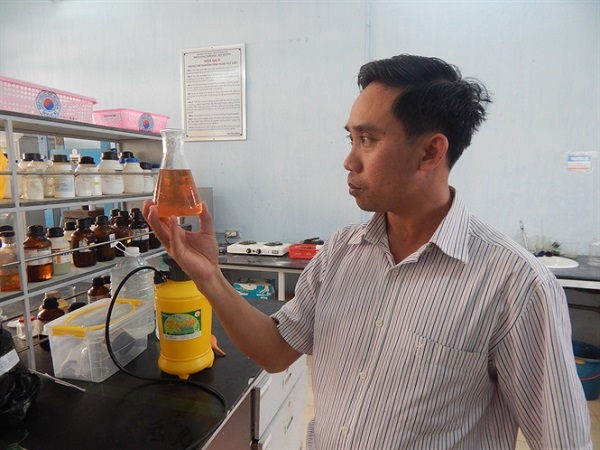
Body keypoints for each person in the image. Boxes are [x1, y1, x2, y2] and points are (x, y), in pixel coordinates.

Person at [144, 54, 592, 449]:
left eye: (368, 140)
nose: (349, 160)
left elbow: (563, 440)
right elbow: (276, 352)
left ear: (430, 152)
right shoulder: (341, 252)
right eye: (351, 139)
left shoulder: (515, 285)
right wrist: (208, 275)